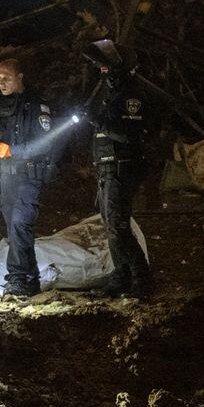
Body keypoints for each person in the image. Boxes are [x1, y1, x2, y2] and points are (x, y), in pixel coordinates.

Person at [0, 55, 56, 297]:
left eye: (7, 78)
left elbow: (44, 143)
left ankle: (16, 277)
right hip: (6, 177)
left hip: (28, 175)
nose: (2, 83)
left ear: (20, 77)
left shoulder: (35, 105)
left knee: (20, 224)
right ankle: (30, 279)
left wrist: (11, 151)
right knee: (15, 230)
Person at [84, 39, 154, 298]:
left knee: (119, 226)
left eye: (104, 65)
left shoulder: (131, 95)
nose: (100, 69)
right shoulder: (111, 92)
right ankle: (121, 277)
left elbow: (129, 135)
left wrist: (97, 121)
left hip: (122, 168)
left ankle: (142, 279)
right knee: (111, 226)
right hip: (107, 168)